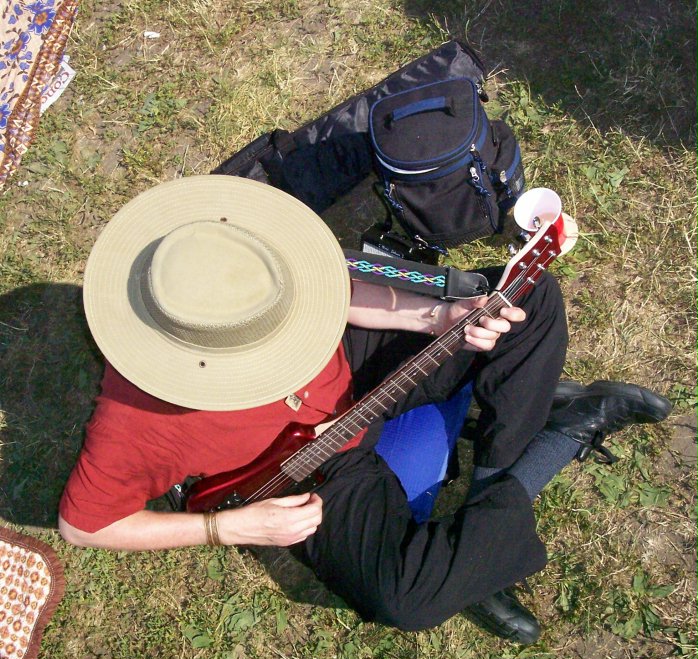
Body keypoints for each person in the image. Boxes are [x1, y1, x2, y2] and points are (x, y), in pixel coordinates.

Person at [58, 176, 671, 644]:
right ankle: (550, 442)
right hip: (305, 474)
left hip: (351, 375)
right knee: (408, 600)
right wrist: (227, 528)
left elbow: (346, 293)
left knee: (524, 302)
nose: (281, 358)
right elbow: (84, 526)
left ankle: (498, 491)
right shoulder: (137, 422)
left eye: (279, 334)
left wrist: (440, 318)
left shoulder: (245, 258)